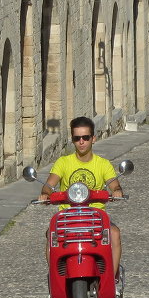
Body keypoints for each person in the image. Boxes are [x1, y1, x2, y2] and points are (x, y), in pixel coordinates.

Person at [41, 116, 126, 287]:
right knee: (50, 234)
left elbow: (114, 185)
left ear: (93, 139)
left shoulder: (103, 164)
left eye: (85, 137)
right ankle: (56, 280)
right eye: (76, 138)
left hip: (95, 216)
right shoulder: (63, 162)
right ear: (72, 140)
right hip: (67, 217)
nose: (81, 142)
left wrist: (116, 192)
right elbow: (49, 184)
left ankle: (112, 279)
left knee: (114, 234)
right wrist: (45, 194)